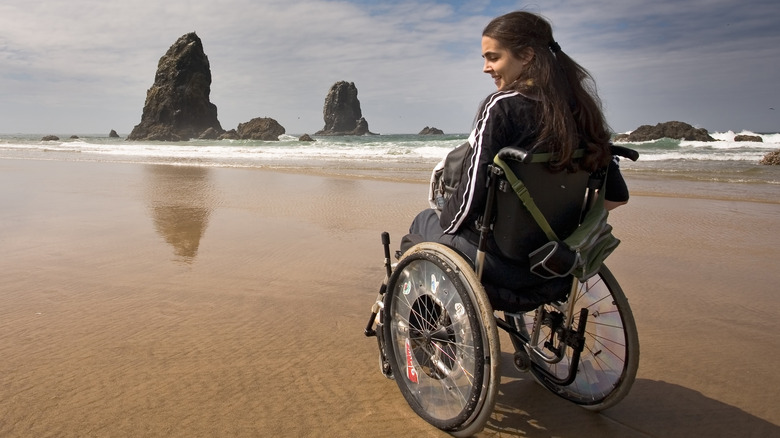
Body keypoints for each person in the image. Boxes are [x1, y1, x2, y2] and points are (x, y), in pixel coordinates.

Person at [402, 11, 629, 312]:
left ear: (526, 55)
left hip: (499, 268)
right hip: (554, 264)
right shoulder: (581, 110)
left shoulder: (502, 106)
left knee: (424, 222)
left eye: (493, 57)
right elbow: (615, 197)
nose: (486, 68)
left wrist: (446, 220)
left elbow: (469, 202)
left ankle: (424, 323)